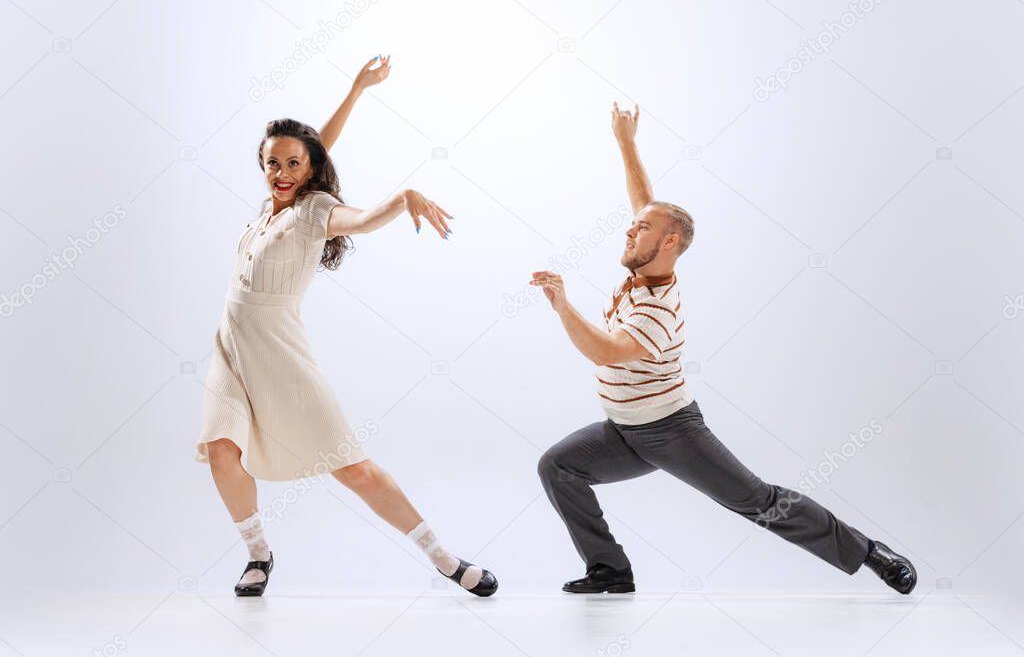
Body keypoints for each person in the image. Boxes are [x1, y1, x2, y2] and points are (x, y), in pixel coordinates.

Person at [530, 102, 916, 595]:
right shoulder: (646, 265)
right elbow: (646, 204)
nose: (629, 231)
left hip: (670, 432)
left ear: (668, 243)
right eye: (633, 226)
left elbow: (607, 351)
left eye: (641, 230)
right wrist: (626, 143)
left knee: (758, 501)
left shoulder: (657, 310)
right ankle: (610, 569)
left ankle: (869, 553)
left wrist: (564, 307)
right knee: (557, 467)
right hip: (624, 430)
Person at [195, 55, 497, 598]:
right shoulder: (270, 206)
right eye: (272, 163)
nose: (281, 172)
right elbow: (314, 144)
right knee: (221, 450)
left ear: (309, 171)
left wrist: (401, 198)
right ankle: (259, 555)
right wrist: (357, 89)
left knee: (350, 467)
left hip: (281, 354)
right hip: (231, 349)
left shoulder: (316, 211)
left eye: (292, 165)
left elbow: (361, 219)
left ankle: (445, 559)